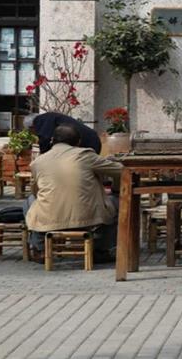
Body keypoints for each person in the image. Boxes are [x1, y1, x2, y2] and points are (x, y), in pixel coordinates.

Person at [24, 124, 123, 263]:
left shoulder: (37, 162)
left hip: (49, 218)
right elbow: (121, 170)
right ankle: (101, 249)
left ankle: (40, 248)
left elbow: (36, 190)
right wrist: (115, 189)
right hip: (87, 217)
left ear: (52, 140)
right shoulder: (86, 156)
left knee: (30, 201)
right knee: (116, 201)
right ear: (78, 142)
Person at [26, 112, 102, 154]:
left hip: (87, 143)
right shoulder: (48, 118)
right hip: (91, 139)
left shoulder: (41, 121)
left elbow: (45, 139)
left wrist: (42, 155)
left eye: (31, 132)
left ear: (31, 127)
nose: (34, 134)